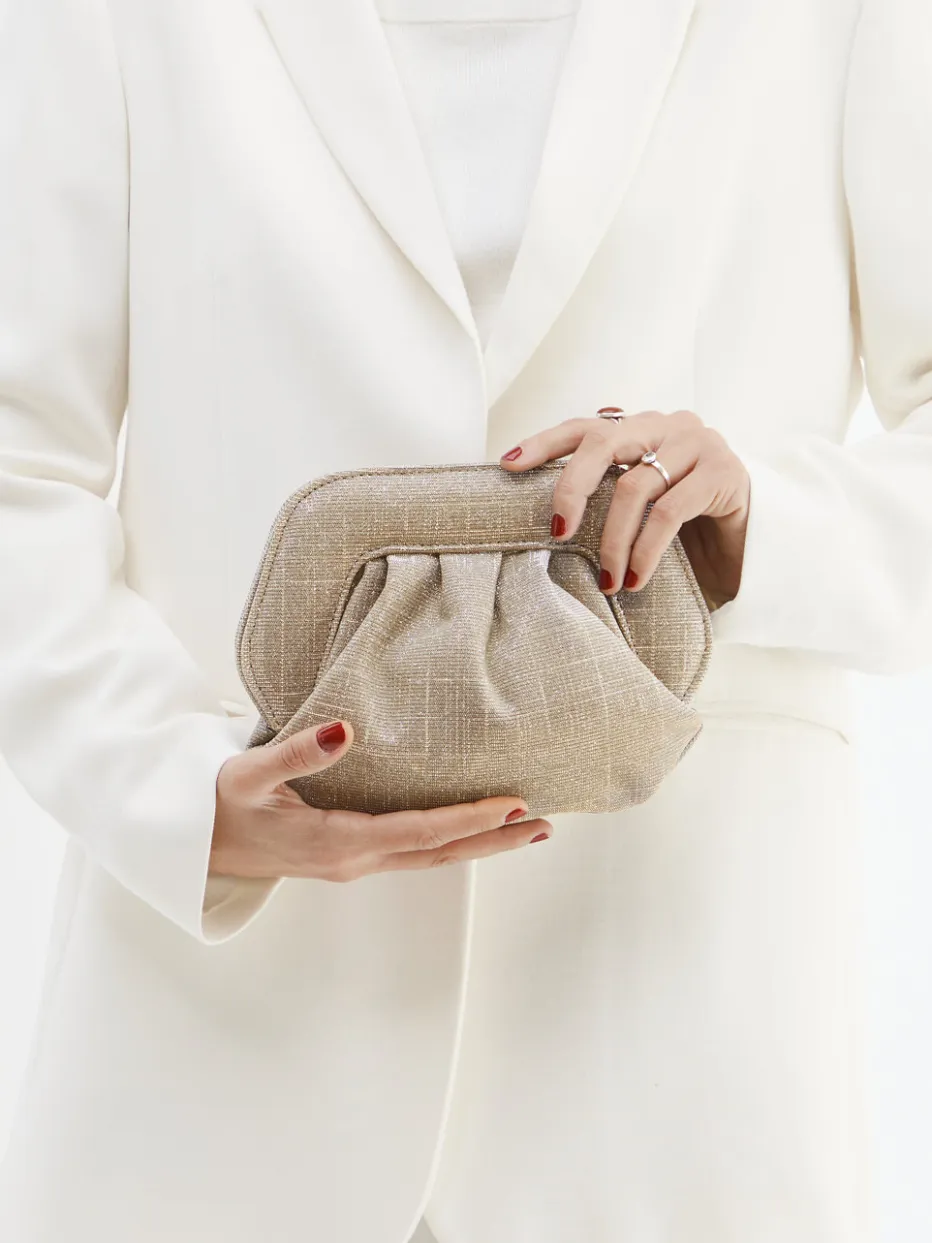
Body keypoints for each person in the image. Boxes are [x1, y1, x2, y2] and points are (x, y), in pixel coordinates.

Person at [0, 0, 930, 1239]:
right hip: (218, 1046)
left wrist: (760, 520)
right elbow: (20, 458)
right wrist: (175, 792)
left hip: (671, 1016)